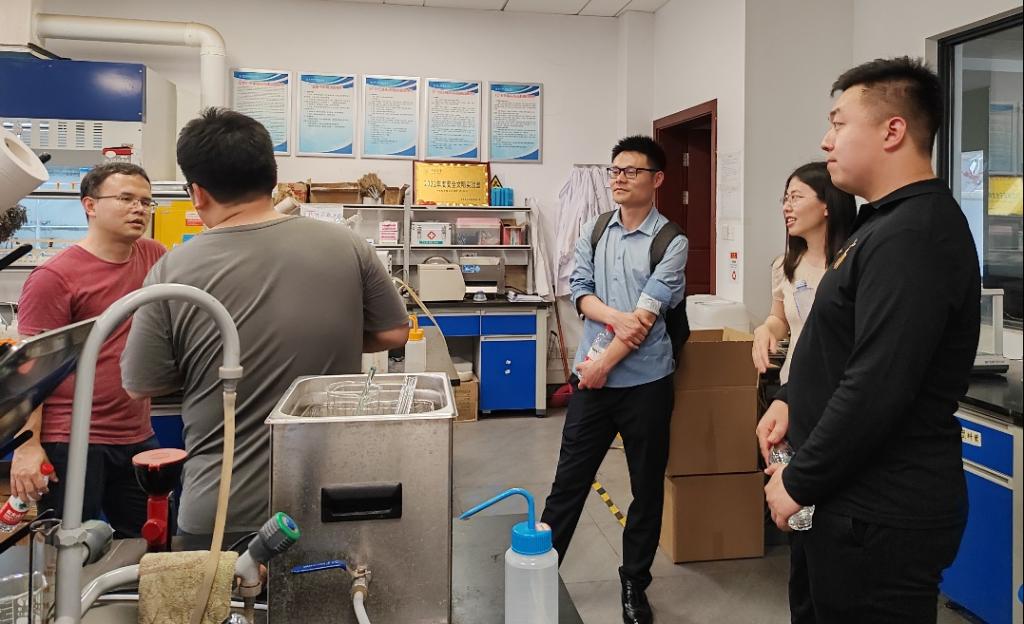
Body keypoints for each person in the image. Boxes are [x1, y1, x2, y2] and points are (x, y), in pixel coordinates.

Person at [757, 57, 981, 623]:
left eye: (838, 123)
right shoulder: (879, 223)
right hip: (848, 497)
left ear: (892, 130)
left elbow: (878, 382)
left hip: (881, 511)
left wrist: (800, 480)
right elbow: (841, 343)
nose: (825, 140)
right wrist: (790, 398)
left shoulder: (914, 234)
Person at [121, 108, 410, 537]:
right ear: (273, 179)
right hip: (329, 499)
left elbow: (141, 383)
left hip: (222, 509)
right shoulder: (348, 245)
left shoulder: (172, 269)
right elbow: (394, 331)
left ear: (197, 193)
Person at [542, 135, 687, 624]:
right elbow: (580, 291)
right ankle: (540, 575)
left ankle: (634, 585)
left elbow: (648, 315)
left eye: (631, 171)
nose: (619, 178)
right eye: (615, 170)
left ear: (656, 179)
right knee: (568, 482)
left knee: (646, 489)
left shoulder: (671, 242)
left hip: (645, 383)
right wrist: (616, 319)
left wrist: (606, 361)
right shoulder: (596, 228)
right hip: (593, 381)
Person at [13, 162, 166, 537]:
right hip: (71, 437)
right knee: (68, 546)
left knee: (150, 545)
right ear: (90, 205)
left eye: (146, 201)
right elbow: (30, 369)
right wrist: (27, 448)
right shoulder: (54, 277)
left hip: (136, 434)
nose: (139, 209)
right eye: (126, 198)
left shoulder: (154, 256)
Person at [751, 162, 856, 382]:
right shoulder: (785, 266)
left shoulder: (854, 264)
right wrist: (766, 329)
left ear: (827, 205)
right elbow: (779, 318)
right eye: (785, 199)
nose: (786, 207)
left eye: (796, 198)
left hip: (844, 388)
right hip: (793, 385)